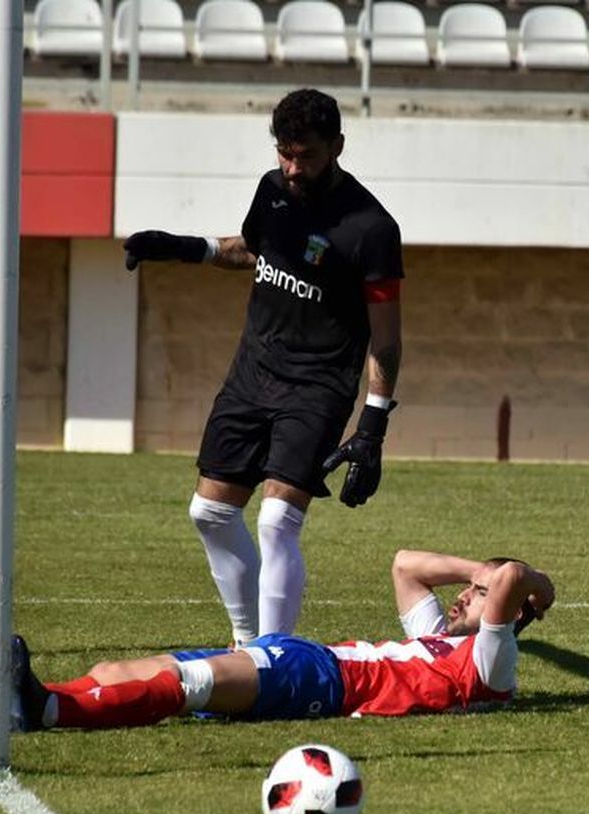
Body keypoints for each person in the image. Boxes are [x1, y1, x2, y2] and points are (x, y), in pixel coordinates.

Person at [121, 89, 404, 646]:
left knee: (276, 522)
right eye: (285, 153)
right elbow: (255, 251)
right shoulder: (272, 190)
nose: (294, 168)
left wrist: (372, 427)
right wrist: (186, 247)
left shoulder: (371, 228)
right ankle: (247, 643)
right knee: (209, 512)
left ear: (338, 147)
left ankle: (274, 662)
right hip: (253, 372)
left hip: (317, 385)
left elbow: (388, 339)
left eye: (308, 157)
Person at [9, 551, 555, 729]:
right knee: (115, 668)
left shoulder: (492, 660)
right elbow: (404, 565)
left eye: (477, 593)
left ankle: (48, 710)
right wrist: (477, 569)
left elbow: (510, 582)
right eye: (468, 587)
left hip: (328, 683)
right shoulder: (438, 638)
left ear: (506, 615)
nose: (463, 594)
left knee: (192, 683)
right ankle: (17, 706)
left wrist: (533, 584)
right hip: (307, 655)